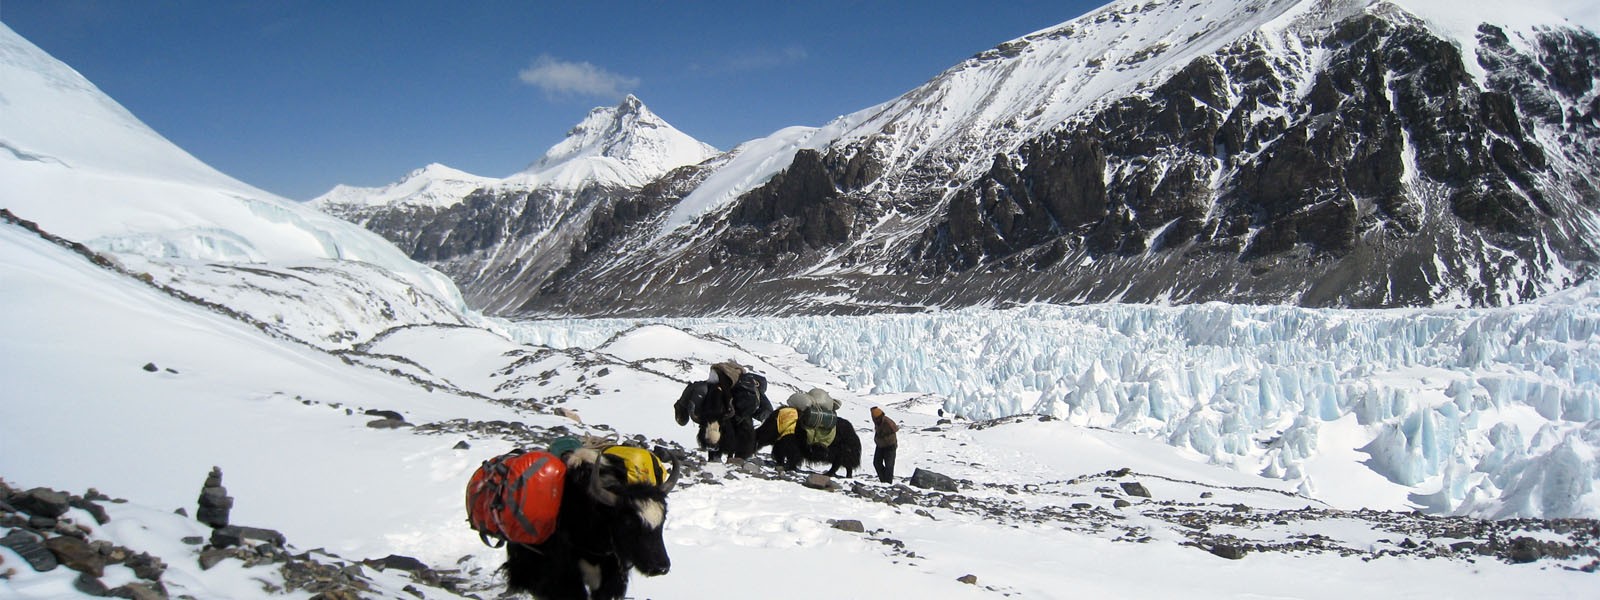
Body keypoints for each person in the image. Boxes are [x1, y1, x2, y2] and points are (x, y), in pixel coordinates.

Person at [870, 406, 899, 484]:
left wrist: (885, 435)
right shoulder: (877, 422)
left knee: (889, 465)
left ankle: (888, 483)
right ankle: (883, 481)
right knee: (876, 463)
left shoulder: (887, 422)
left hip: (890, 446)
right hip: (880, 445)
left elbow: (895, 429)